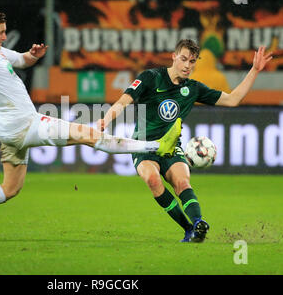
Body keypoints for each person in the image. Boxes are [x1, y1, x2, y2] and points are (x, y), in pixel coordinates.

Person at [0, 10, 182, 244]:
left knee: (10, 188)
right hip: (26, 124)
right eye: (1, 32)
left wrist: (32, 56)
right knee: (90, 135)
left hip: (9, 131)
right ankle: (157, 146)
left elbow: (22, 61)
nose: (5, 36)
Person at [97, 39, 273, 242]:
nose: (187, 65)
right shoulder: (150, 77)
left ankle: (198, 224)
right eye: (183, 59)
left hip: (172, 148)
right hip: (143, 146)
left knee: (182, 182)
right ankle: (188, 228)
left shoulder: (194, 88)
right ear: (173, 57)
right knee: (153, 179)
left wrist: (254, 70)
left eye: (192, 61)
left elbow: (233, 100)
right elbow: (124, 100)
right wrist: (106, 119)